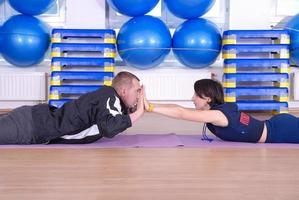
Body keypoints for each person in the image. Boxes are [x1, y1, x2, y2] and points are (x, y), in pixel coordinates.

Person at [0, 71, 144, 144]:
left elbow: (118, 121)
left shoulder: (111, 102)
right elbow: (109, 127)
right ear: (124, 91)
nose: (139, 95)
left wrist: (140, 104)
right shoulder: (109, 96)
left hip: (34, 121)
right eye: (137, 91)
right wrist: (139, 112)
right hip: (31, 126)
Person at [144, 78, 299, 143]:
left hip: (280, 131)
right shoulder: (214, 112)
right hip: (275, 124)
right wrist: (149, 105)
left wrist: (150, 108)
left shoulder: (217, 115)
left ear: (208, 98)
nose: (192, 98)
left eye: (196, 95)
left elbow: (181, 113)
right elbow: (179, 108)